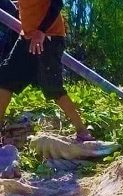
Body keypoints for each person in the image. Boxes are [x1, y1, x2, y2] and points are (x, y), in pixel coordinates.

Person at [0, 0, 94, 142]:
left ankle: (83, 132)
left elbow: (57, 3)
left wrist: (41, 31)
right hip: (27, 36)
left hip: (48, 36)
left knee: (52, 86)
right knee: (5, 79)